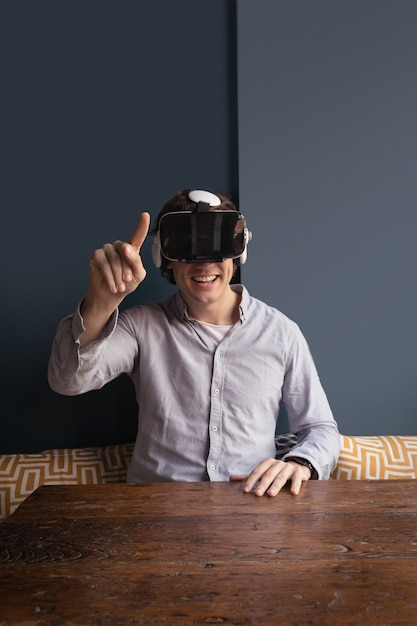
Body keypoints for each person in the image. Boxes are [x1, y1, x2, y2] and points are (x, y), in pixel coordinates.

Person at [48, 188, 340, 497]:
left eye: (216, 247)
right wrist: (101, 302)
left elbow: (320, 428)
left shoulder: (281, 332)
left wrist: (301, 462)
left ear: (238, 251)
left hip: (249, 512)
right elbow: (68, 381)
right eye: (188, 248)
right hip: (156, 514)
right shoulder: (141, 326)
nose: (203, 265)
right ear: (165, 257)